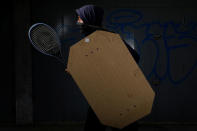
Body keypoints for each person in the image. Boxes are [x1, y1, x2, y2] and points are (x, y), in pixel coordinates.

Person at [75, 4, 140, 131]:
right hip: (103, 96)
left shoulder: (107, 37)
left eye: (80, 18)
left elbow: (135, 57)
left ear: (90, 18)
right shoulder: (91, 40)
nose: (77, 22)